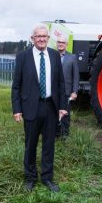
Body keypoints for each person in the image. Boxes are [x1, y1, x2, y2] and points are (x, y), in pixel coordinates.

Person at [11, 24, 67, 192]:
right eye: (38, 36)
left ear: (48, 39)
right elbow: (16, 86)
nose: (42, 39)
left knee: (49, 144)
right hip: (30, 107)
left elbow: (61, 83)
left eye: (45, 36)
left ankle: (47, 178)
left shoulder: (55, 55)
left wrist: (63, 106)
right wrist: (17, 109)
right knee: (31, 144)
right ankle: (30, 178)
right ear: (32, 39)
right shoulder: (23, 57)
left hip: (51, 106)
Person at [55, 35, 79, 139]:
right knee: (54, 113)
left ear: (67, 44)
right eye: (59, 42)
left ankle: (65, 134)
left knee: (65, 113)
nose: (60, 44)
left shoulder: (72, 57)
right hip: (54, 91)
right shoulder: (52, 56)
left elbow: (76, 76)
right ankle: (55, 134)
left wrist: (74, 91)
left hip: (67, 91)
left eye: (63, 42)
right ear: (56, 43)